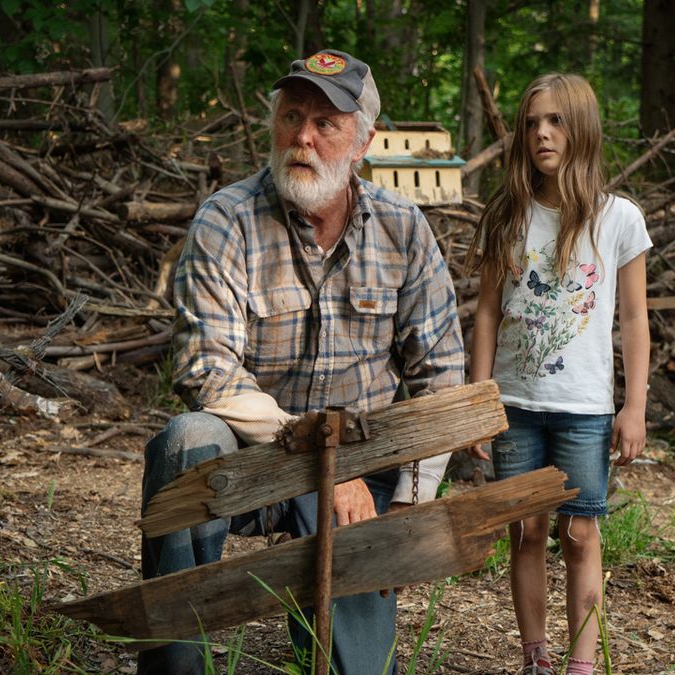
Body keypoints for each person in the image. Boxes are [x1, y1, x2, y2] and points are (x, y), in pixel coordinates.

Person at [140, 49, 464, 675]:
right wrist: (315, 455)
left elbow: (441, 376)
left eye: (326, 123)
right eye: (292, 117)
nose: (303, 138)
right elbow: (206, 366)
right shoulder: (226, 219)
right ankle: (177, 660)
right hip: (252, 456)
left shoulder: (403, 229)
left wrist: (408, 501)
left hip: (359, 475)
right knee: (187, 439)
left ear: (363, 140)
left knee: (362, 670)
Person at [466, 73, 651, 675]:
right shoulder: (508, 215)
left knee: (580, 535)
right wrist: (479, 401)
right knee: (526, 531)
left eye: (555, 121)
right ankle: (536, 656)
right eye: (531, 123)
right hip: (515, 406)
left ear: (582, 129)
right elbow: (488, 312)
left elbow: (632, 318)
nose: (542, 133)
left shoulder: (618, 218)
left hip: (585, 409)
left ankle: (582, 663)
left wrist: (634, 407)